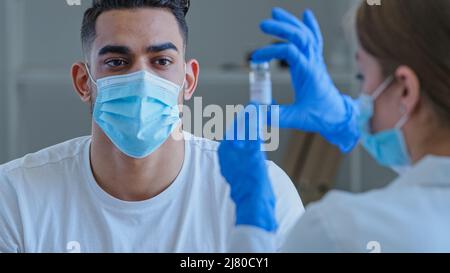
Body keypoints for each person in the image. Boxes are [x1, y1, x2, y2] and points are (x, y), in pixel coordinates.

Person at [0, 0, 304, 253]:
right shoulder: (16, 197)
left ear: (188, 80)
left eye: (161, 61)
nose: (142, 80)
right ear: (84, 82)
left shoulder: (259, 189)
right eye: (117, 62)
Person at [218, 0, 450, 252]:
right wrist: (345, 120)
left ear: (405, 89)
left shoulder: (339, 232)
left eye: (362, 76)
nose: (361, 96)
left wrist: (254, 219)